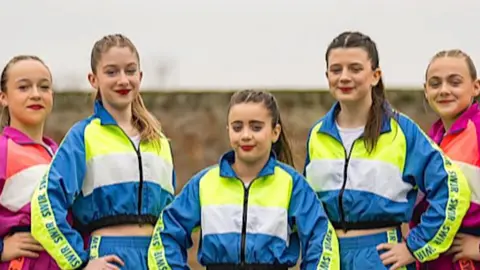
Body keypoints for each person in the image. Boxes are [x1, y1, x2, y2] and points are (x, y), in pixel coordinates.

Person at [303, 31, 471, 270]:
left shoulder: (401, 131)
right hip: (328, 257)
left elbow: (453, 188)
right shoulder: (317, 135)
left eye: (355, 68)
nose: (344, 77)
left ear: (375, 75)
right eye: (336, 69)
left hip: (381, 257)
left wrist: (414, 247)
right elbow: (308, 207)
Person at [148, 89, 340, 270]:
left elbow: (321, 240)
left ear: (275, 132)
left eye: (256, 127)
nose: (246, 135)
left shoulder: (292, 185)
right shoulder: (204, 183)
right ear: (228, 130)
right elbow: (166, 234)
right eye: (237, 127)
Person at [30, 34, 176, 270]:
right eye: (111, 72)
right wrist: (80, 262)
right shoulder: (83, 136)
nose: (123, 80)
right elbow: (45, 204)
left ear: (140, 76)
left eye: (130, 71)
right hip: (109, 257)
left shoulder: (159, 142)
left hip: (154, 259)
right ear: (93, 79)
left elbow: (169, 217)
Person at [410, 49, 480, 269]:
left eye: (455, 82)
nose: (444, 90)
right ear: (426, 91)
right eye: (435, 83)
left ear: (475, 87)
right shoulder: (429, 141)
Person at [0, 55, 59, 269]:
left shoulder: (61, 155)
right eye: (23, 87)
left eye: (44, 87)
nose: (36, 94)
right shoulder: (2, 150)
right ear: (3, 97)